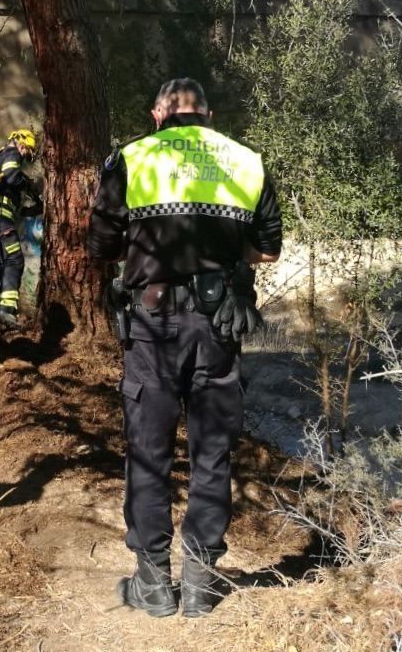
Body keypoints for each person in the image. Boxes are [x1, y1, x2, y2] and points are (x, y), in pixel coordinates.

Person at [88, 78, 282, 618]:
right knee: (211, 450)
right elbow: (268, 250)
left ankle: (153, 582)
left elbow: (100, 245)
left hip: (152, 325)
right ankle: (200, 582)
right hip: (218, 324)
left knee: (148, 451)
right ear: (209, 115)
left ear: (158, 114)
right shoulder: (245, 160)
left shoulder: (131, 158)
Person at [0, 128, 39, 327]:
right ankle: (7, 311)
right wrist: (26, 185)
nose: (25, 158)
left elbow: (8, 181)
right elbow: (12, 176)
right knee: (14, 259)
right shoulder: (10, 153)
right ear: (22, 145)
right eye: (27, 153)